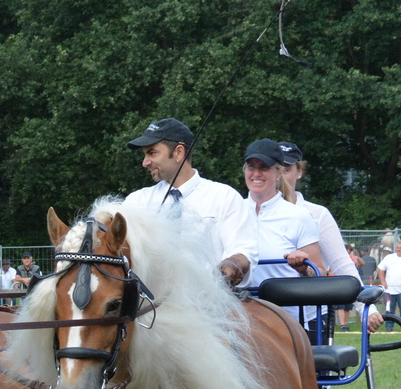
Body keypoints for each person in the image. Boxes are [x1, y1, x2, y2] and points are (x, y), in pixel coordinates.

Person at [124, 117, 256, 284]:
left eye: (152, 153)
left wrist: (231, 265)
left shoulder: (225, 197)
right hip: (150, 305)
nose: (145, 162)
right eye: (145, 155)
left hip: (209, 302)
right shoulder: (136, 202)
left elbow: (243, 251)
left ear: (179, 152)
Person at [240, 140, 323, 287]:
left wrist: (303, 268)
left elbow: (319, 271)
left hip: (286, 308)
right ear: (244, 170)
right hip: (241, 306)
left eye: (264, 167)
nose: (256, 173)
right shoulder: (232, 211)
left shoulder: (299, 215)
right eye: (251, 167)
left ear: (278, 172)